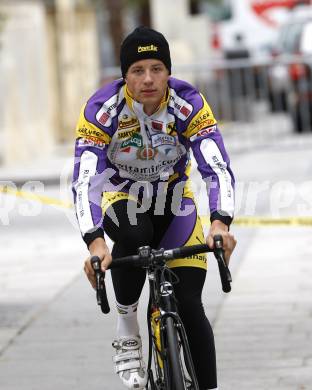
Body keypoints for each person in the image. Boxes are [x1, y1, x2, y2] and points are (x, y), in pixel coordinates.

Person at [72, 26, 236, 390]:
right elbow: (86, 181)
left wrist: (221, 222)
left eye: (157, 68)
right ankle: (128, 325)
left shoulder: (188, 102)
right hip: (123, 199)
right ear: (124, 75)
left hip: (174, 201)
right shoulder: (102, 109)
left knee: (190, 304)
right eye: (137, 70)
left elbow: (216, 166)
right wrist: (95, 242)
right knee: (135, 232)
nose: (148, 79)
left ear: (168, 71)